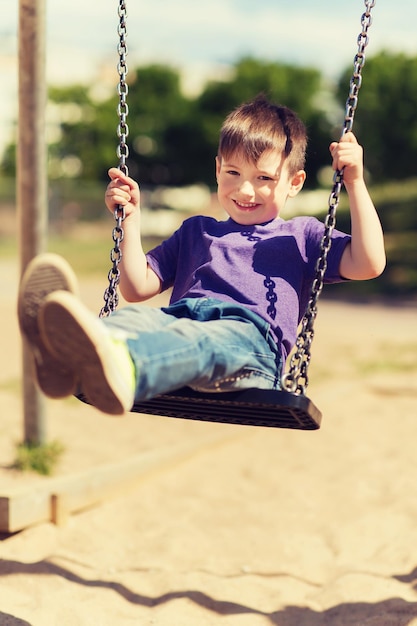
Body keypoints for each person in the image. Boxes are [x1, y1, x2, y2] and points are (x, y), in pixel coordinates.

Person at [18, 95, 386, 416]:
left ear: (294, 182)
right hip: (179, 323)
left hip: (249, 346)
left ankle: (123, 368)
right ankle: (66, 355)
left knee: (203, 341)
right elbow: (137, 287)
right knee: (135, 320)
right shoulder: (197, 231)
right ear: (217, 170)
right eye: (233, 172)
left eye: (264, 178)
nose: (245, 189)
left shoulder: (301, 236)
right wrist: (130, 221)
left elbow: (369, 263)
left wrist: (354, 182)